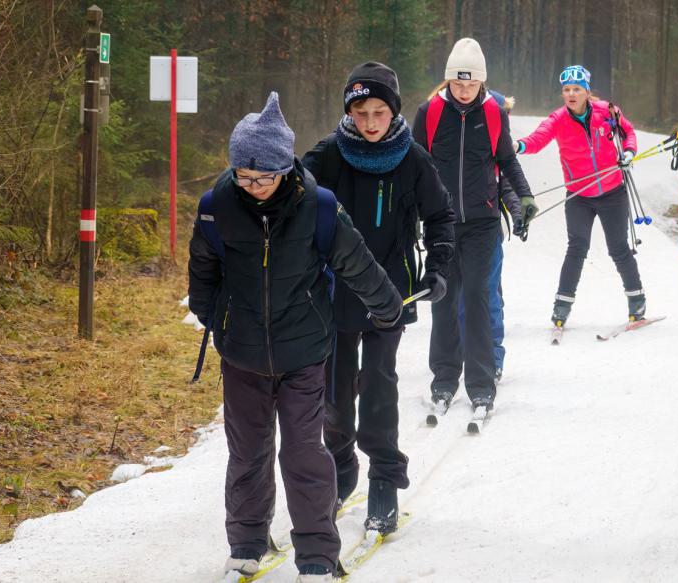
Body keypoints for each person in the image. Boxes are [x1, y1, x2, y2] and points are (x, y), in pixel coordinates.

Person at [187, 92, 402, 583]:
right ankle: (245, 543)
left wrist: (387, 308)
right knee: (247, 450)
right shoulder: (217, 207)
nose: (254, 186)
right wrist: (211, 316)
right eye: (244, 175)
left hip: (305, 352)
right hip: (241, 353)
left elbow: (357, 262)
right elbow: (204, 267)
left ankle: (318, 554)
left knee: (304, 452)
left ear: (285, 169)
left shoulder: (319, 207)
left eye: (264, 177)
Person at [302, 61, 455, 535]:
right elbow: (290, 202)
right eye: (361, 112)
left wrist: (438, 266)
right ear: (348, 111)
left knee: (380, 385)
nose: (370, 122)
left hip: (392, 293)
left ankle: (385, 476)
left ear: (393, 112)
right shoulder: (327, 155)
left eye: (379, 112)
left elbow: (441, 217)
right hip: (334, 292)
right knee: (336, 386)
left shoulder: (413, 159)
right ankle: (342, 464)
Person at [414, 38, 536, 415]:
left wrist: (525, 197)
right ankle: (444, 380)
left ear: (481, 82)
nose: (463, 91)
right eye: (457, 83)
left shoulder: (495, 112)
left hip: (483, 223)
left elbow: (507, 160)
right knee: (444, 299)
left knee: (478, 299)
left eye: (470, 84)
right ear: (448, 81)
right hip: (442, 223)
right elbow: (414, 165)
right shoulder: (430, 112)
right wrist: (411, 213)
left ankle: (482, 385)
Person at [514, 65, 645, 327]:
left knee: (618, 248)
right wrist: (517, 145)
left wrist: (629, 153)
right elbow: (538, 139)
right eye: (566, 90)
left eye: (577, 89)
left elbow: (628, 133)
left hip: (612, 192)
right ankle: (561, 306)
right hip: (579, 195)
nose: (571, 94)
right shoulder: (558, 119)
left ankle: (636, 299)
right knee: (577, 248)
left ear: (587, 91)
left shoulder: (607, 112)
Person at [458, 89, 518, 382]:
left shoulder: (497, 146)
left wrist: (518, 210)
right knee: (458, 295)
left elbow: (507, 183)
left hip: (488, 231)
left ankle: (492, 355)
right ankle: (459, 352)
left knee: (488, 295)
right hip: (455, 228)